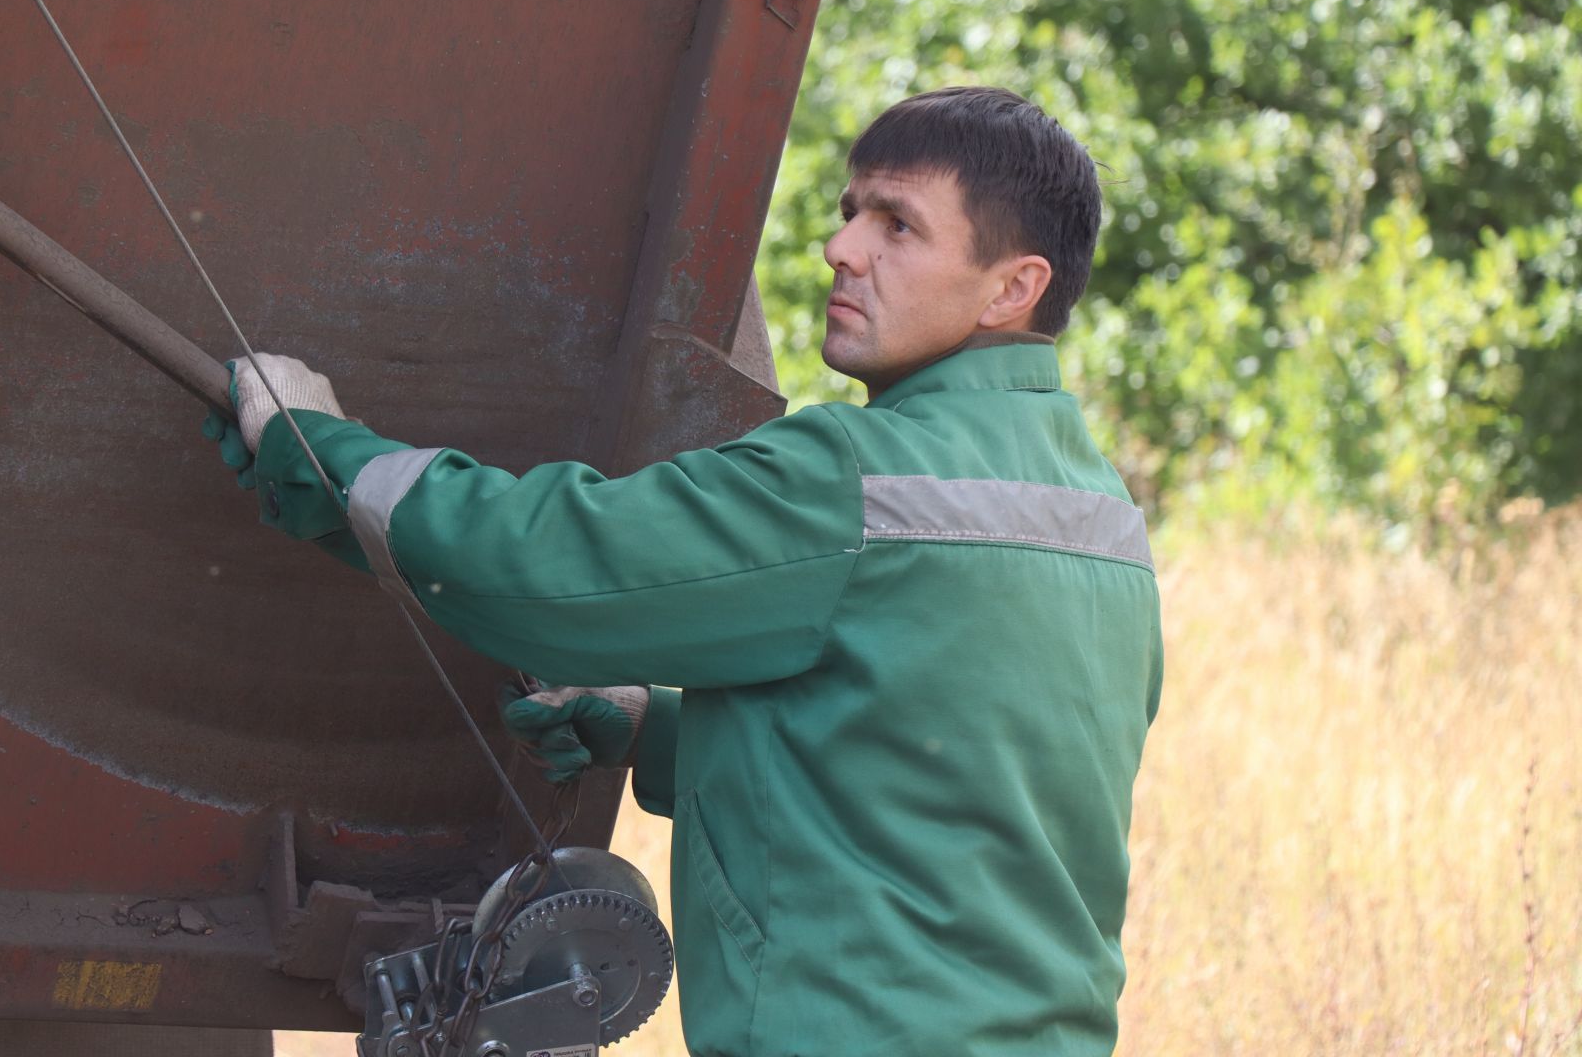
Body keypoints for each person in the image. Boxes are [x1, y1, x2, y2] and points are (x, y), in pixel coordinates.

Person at [204, 86, 1162, 1057]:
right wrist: (652, 726)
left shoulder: (854, 484)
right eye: (850, 213)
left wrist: (318, 448)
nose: (843, 248)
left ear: (1013, 286)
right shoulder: (1103, 518)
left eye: (899, 225)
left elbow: (547, 562)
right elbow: (936, 769)